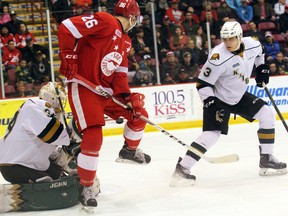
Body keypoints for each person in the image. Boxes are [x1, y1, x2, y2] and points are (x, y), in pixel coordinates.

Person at [57, 0, 151, 209]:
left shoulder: (126, 41)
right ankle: (86, 186)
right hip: (84, 87)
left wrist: (127, 98)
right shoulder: (106, 21)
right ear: (134, 18)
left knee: (138, 114)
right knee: (94, 134)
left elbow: (119, 74)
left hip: (105, 92)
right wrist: (69, 56)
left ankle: (129, 150)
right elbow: (67, 27)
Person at [170, 20, 287, 187]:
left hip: (238, 96)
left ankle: (266, 158)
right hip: (218, 99)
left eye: (231, 38)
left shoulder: (252, 44)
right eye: (224, 39)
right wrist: (210, 102)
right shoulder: (217, 57)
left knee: (266, 113)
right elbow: (202, 84)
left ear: (240, 36)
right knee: (212, 134)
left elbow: (260, 52)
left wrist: (262, 68)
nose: (227, 43)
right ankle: (182, 169)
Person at [0, 82, 74, 183]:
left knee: (61, 178)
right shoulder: (36, 107)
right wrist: (72, 134)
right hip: (16, 166)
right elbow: (54, 136)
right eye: (59, 99)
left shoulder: (35, 109)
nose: (60, 103)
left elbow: (45, 143)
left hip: (24, 162)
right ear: (51, 98)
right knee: (51, 184)